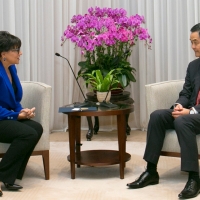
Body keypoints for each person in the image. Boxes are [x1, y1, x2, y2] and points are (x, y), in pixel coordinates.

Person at [127, 23, 200, 199]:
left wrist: (190, 113)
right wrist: (179, 106)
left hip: (195, 115)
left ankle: (194, 178)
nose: (193, 47)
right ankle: (151, 171)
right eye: (191, 42)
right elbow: (186, 92)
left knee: (183, 120)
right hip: (190, 112)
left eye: (196, 42)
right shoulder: (193, 66)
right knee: (157, 116)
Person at [0, 31, 43, 197]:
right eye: (16, 49)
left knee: (36, 128)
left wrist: (21, 110)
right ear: (3, 53)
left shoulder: (11, 69)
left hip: (4, 116)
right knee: (27, 133)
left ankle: (10, 176)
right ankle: (3, 174)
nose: (20, 53)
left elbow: (13, 100)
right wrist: (15, 116)